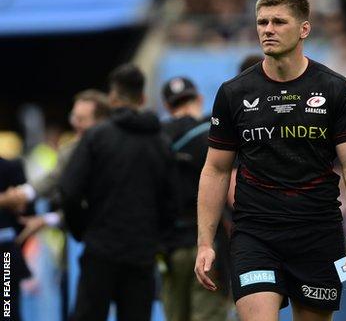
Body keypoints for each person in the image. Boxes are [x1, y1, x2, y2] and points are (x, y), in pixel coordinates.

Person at [194, 0, 346, 321]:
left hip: (317, 232)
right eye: (262, 22)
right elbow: (215, 170)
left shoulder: (335, 88)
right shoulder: (234, 92)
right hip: (255, 234)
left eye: (278, 21)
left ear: (304, 29)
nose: (268, 29)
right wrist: (205, 242)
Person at [57, 64, 176, 321]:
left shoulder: (97, 137)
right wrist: (155, 239)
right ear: (143, 98)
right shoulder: (161, 143)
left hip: (100, 249)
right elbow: (172, 201)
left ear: (112, 99)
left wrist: (83, 229)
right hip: (142, 253)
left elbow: (69, 190)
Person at [160, 76, 232, 321]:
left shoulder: (157, 139)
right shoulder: (214, 133)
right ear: (199, 99)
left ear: (168, 107)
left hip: (170, 247)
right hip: (210, 246)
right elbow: (232, 194)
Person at [0, 89, 110, 242]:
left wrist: (17, 197)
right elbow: (55, 178)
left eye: (81, 119)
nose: (74, 122)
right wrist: (24, 195)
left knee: (8, 264)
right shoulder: (71, 149)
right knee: (9, 264)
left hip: (110, 241)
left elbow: (100, 203)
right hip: (82, 240)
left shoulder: (113, 154)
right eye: (73, 116)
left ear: (101, 122)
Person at [0, 157, 31, 321]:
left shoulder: (10, 168)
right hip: (7, 250)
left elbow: (26, 212)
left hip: (5, 252)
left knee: (7, 310)